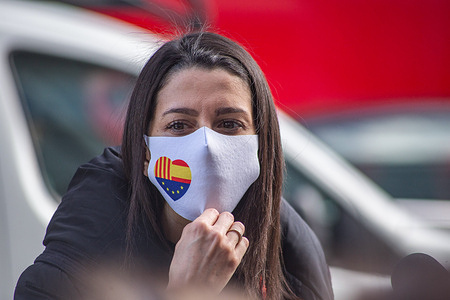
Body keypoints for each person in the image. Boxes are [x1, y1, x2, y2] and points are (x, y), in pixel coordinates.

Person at [15, 32, 333, 300]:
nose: (207, 145)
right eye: (179, 125)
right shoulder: (80, 259)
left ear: (261, 147)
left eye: (229, 123)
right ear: (144, 153)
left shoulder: (289, 254)